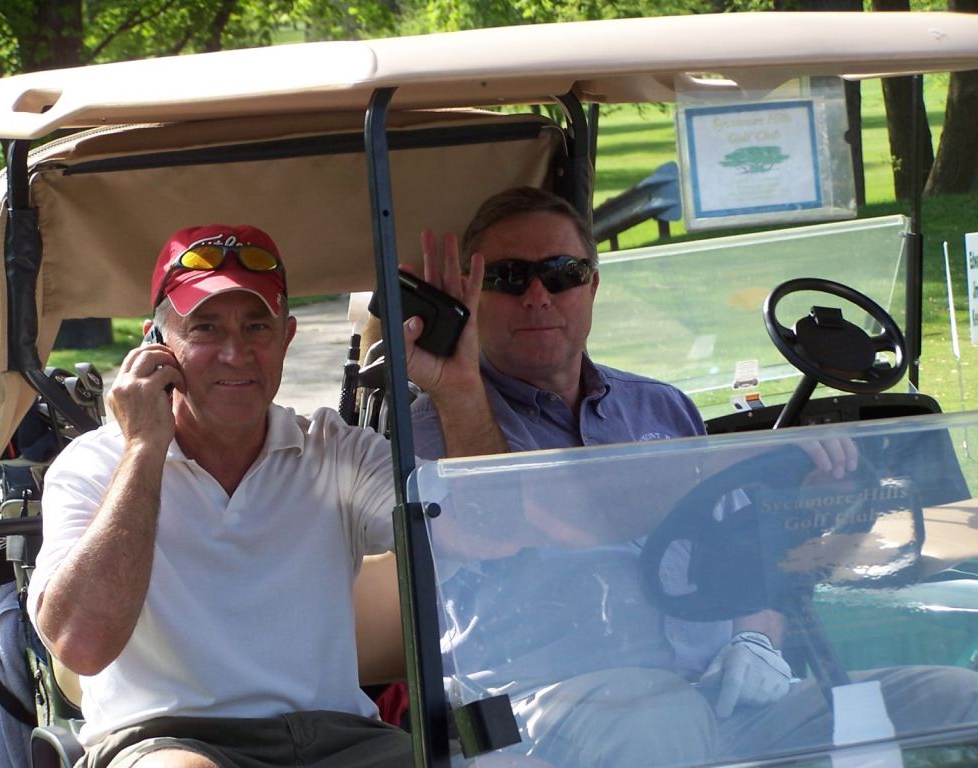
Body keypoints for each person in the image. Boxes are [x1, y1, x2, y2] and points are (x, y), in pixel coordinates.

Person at [409, 186, 978, 767]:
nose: (538, 296)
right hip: (530, 709)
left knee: (957, 705)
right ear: (473, 293)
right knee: (661, 720)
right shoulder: (441, 421)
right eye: (509, 276)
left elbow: (743, 557)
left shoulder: (659, 407)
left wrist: (758, 633)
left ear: (593, 285)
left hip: (714, 693)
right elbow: (521, 515)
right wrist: (707, 466)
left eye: (562, 273)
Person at [26, 224, 454, 768]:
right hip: (166, 741)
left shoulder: (335, 451)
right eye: (205, 328)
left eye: (257, 327)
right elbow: (81, 645)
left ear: (286, 337)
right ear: (156, 345)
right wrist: (144, 451)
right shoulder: (94, 465)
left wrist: (456, 389)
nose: (235, 353)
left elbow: (476, 544)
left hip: (338, 740)